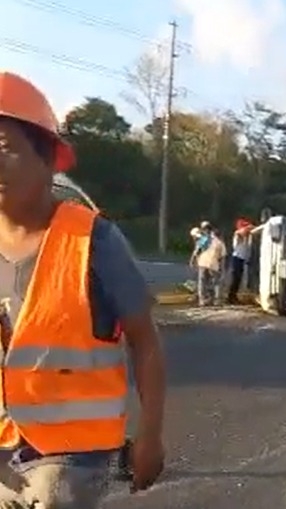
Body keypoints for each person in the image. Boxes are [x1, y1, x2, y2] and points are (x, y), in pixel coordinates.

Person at [0, 71, 165, 507]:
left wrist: (150, 436)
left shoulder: (95, 242)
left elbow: (144, 340)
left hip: (73, 454)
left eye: (6, 149)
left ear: (50, 159)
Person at [194, 222, 226, 306]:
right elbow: (223, 257)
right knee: (216, 282)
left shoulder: (203, 239)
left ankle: (202, 300)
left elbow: (197, 252)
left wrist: (194, 261)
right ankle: (216, 300)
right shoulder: (220, 242)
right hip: (213, 264)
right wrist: (222, 269)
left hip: (203, 263)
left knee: (202, 282)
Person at [227, 218, 252, 304]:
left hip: (241, 259)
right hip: (237, 258)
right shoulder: (237, 234)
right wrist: (247, 229)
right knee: (235, 279)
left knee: (238, 280)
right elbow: (241, 231)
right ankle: (231, 297)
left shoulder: (246, 237)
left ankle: (233, 297)